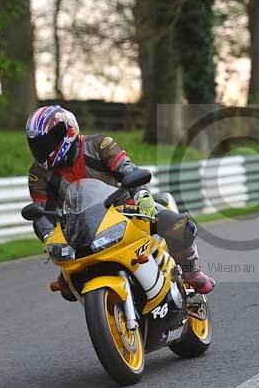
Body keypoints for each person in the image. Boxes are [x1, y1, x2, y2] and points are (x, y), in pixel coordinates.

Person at [25, 105, 215, 301]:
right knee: (66, 288)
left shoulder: (99, 145)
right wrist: (48, 236)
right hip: (81, 228)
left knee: (182, 227)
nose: (42, 149)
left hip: (127, 209)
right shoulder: (38, 173)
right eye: (37, 144)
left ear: (69, 131)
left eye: (48, 141)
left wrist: (141, 194)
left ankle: (191, 271)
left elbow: (128, 170)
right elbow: (41, 212)